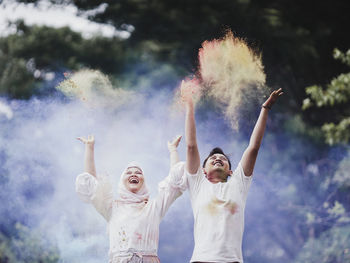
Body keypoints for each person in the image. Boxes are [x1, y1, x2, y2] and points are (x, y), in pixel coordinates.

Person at [182, 83, 283, 263]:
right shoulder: (198, 184)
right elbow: (191, 146)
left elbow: (253, 147)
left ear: (230, 170)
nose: (217, 159)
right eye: (212, 159)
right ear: (203, 171)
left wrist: (265, 108)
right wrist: (189, 105)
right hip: (201, 260)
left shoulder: (238, 183)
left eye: (222, 159)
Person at [75, 135, 184, 263]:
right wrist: (89, 148)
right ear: (122, 181)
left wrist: (173, 151)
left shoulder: (153, 207)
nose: (133, 174)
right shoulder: (112, 208)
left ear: (144, 181)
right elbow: (92, 186)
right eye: (129, 172)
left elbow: (174, 181)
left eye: (138, 172)